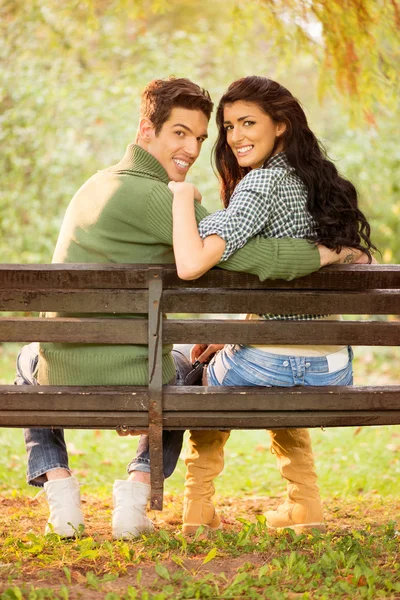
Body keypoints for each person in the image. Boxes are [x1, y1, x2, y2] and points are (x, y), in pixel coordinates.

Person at [16, 76, 366, 540]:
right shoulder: (161, 198)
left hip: (61, 369)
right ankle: (138, 491)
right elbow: (248, 257)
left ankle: (59, 489)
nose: (193, 147)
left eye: (200, 137)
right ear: (147, 129)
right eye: (179, 132)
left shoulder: (96, 185)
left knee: (28, 359)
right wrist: (326, 254)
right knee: (185, 370)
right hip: (140, 375)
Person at [169, 76, 376, 534]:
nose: (235, 136)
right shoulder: (322, 184)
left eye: (248, 123)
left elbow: (194, 260)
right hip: (331, 369)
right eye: (228, 126)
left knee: (205, 375)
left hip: (267, 363)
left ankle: (198, 510)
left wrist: (183, 198)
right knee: (271, 378)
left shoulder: (260, 184)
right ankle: (306, 509)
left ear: (280, 125)